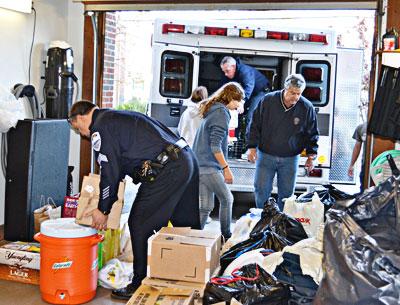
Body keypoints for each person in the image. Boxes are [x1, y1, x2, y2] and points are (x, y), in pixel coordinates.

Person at [68, 101, 201, 300]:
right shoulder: (115, 118)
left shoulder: (100, 128)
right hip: (185, 159)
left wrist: (102, 210)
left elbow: (109, 173)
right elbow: (119, 167)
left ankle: (140, 282)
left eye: (78, 129)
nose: (82, 134)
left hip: (168, 168)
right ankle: (198, 273)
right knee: (185, 225)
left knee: (139, 223)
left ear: (79, 118)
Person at [247, 74, 319, 210]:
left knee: (286, 195)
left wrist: (311, 155)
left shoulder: (306, 107)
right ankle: (264, 218)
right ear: (285, 89)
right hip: (266, 155)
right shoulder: (268, 100)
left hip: (290, 158)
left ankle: (281, 223)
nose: (296, 97)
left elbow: (312, 132)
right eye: (293, 93)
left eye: (299, 94)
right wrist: (252, 147)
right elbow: (255, 124)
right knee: (261, 189)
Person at [192, 82, 244, 239]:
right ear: (231, 98)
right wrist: (226, 169)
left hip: (198, 164)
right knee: (227, 199)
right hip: (209, 166)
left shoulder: (213, 109)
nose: (239, 104)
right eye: (239, 100)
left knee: (206, 207)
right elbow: (215, 146)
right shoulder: (222, 113)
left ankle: (194, 237)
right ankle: (226, 237)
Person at [220, 56, 270, 137]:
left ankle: (250, 146)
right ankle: (232, 141)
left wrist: (241, 102)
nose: (225, 74)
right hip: (246, 95)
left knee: (251, 117)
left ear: (233, 66)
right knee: (235, 115)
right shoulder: (229, 75)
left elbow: (249, 87)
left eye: (227, 71)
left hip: (260, 92)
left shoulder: (245, 71)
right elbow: (223, 88)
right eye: (224, 72)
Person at [347, 122, 367, 192]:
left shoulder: (384, 126)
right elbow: (357, 147)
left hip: (382, 161)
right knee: (363, 187)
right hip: (365, 164)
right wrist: (351, 165)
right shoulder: (361, 127)